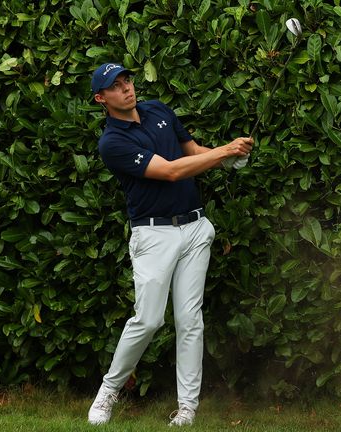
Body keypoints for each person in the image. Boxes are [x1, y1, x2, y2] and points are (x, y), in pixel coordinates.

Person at [86, 62, 253, 427]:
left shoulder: (158, 109)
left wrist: (230, 158)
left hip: (194, 228)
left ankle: (187, 408)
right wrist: (224, 151)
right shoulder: (112, 142)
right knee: (148, 320)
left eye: (127, 80)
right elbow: (172, 170)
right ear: (102, 99)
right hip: (153, 235)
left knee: (190, 320)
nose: (127, 88)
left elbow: (191, 151)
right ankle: (108, 391)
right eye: (116, 86)